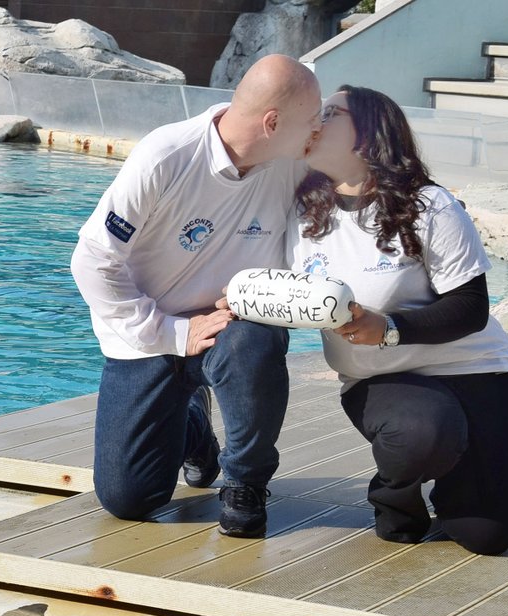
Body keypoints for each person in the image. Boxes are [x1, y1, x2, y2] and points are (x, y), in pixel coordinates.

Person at [71, 54, 323, 537]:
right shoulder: (168, 154)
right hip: (152, 330)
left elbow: (360, 172)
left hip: (232, 325)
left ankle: (245, 485)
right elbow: (92, 261)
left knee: (256, 342)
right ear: (272, 123)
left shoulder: (292, 163)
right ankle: (194, 433)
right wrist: (169, 331)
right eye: (310, 120)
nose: (317, 130)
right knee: (129, 498)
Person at [287, 85, 508, 555]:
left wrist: (391, 328)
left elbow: (472, 308)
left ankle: (460, 479)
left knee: (489, 536)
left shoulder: (429, 204)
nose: (317, 120)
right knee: (421, 432)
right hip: (382, 380)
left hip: (476, 369)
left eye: (331, 114)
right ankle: (396, 498)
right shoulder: (297, 208)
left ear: (367, 136)